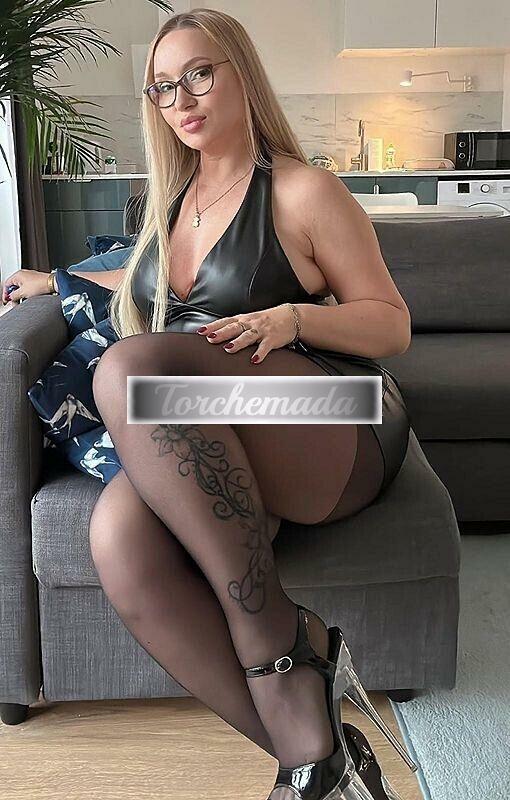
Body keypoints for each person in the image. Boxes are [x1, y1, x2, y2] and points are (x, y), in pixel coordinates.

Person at [2, 9, 416, 799]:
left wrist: (294, 318)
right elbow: (147, 280)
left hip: (332, 415)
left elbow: (391, 325)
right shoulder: (171, 199)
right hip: (219, 418)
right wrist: (56, 281)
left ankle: (279, 638)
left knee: (128, 369)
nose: (181, 100)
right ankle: (314, 761)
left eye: (199, 74)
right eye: (163, 87)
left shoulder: (302, 190)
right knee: (118, 539)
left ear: (241, 76)